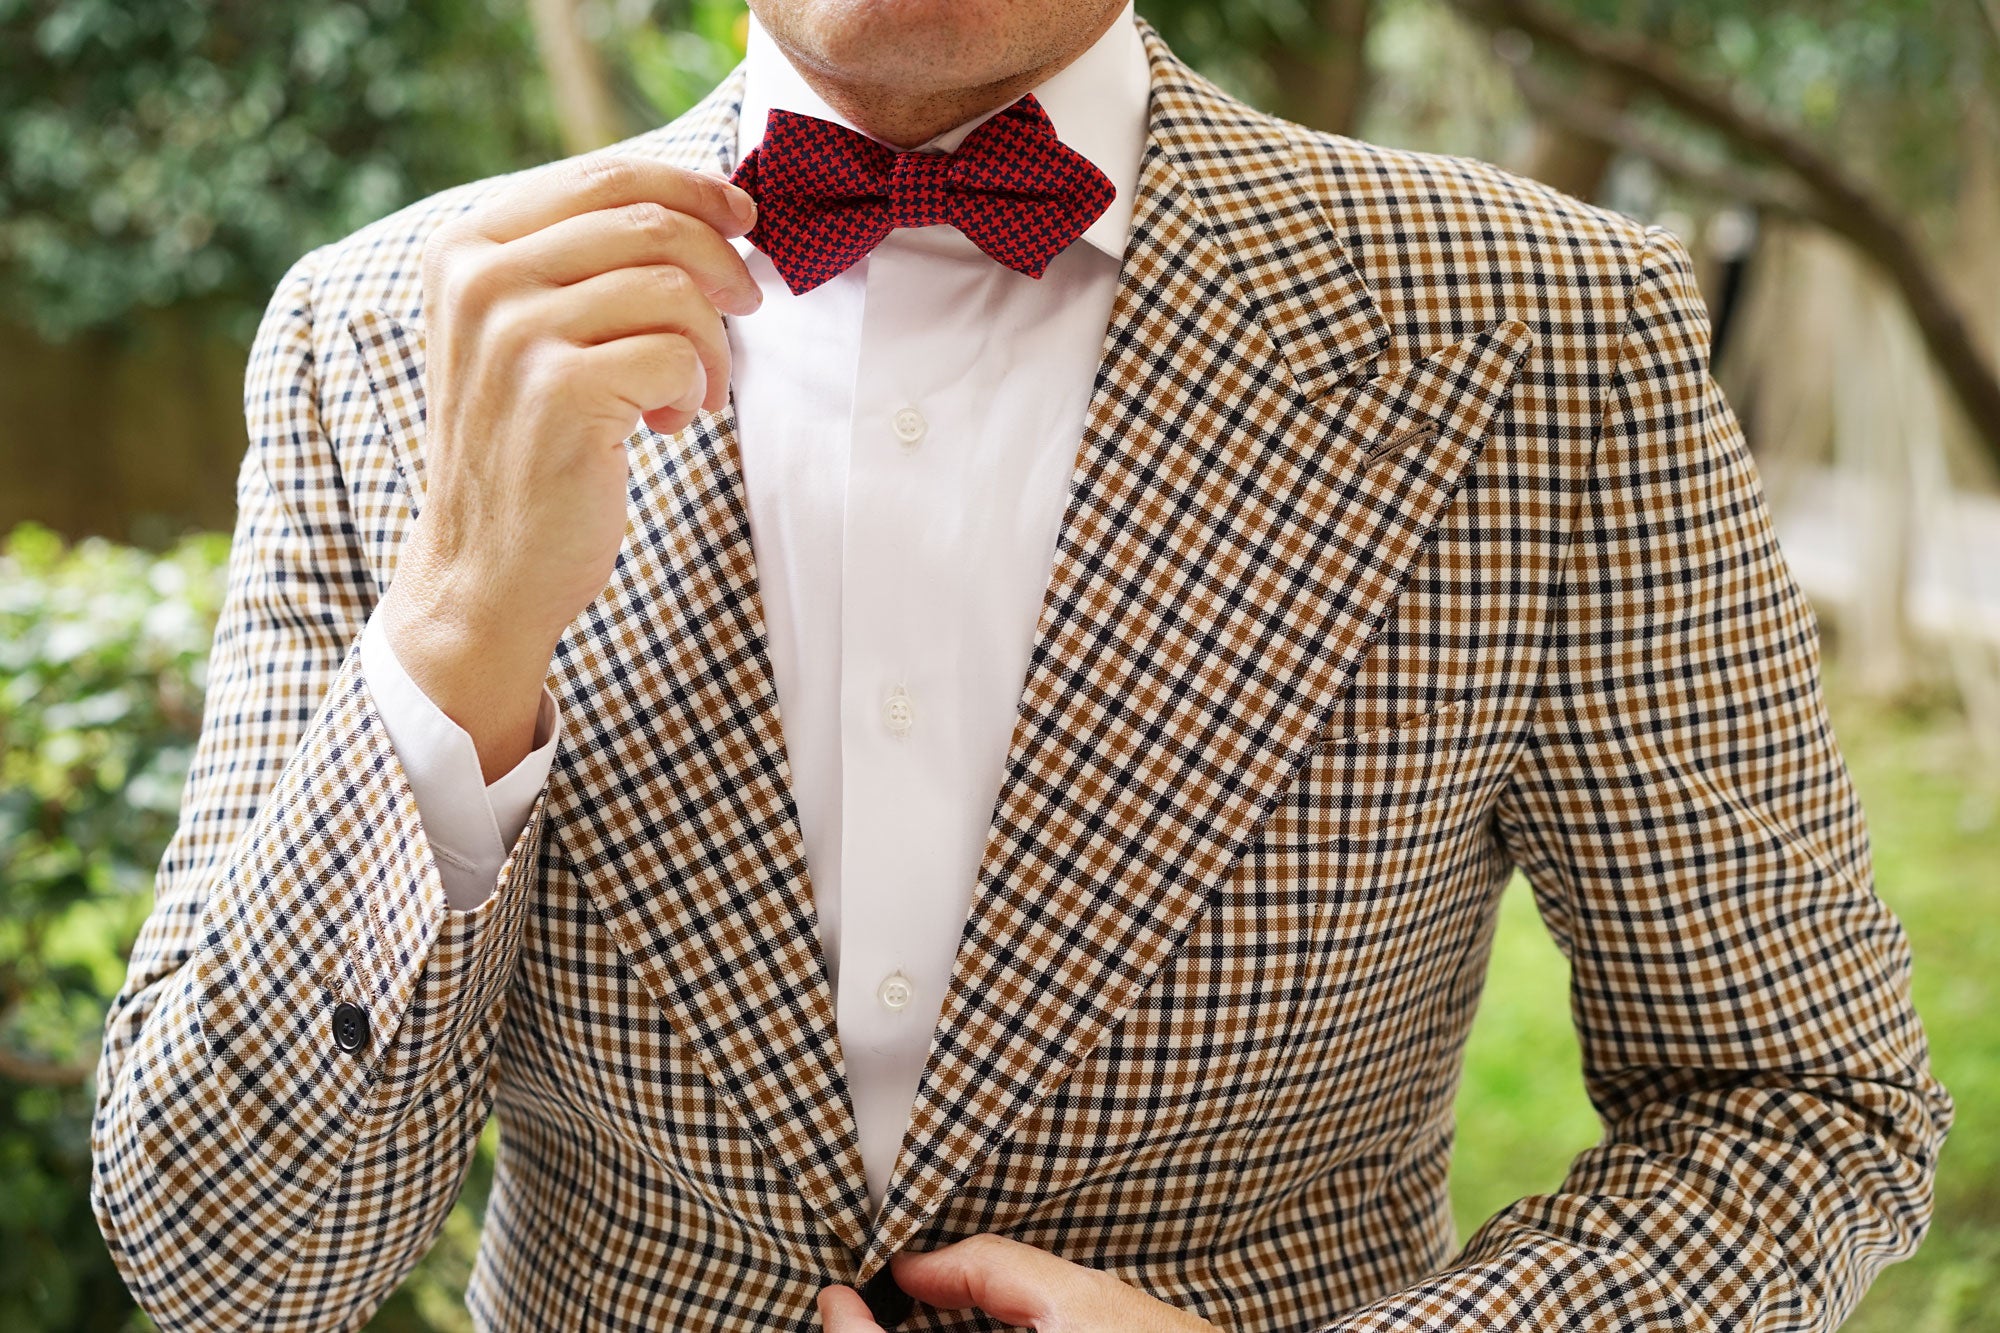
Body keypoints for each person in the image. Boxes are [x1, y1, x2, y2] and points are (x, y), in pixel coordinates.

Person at [90, 1, 1952, 1329]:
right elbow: (235, 1265)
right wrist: (459, 630)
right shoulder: (373, 331)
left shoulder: (1544, 330)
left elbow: (1800, 1109)